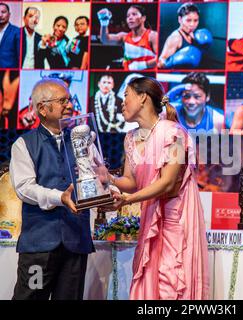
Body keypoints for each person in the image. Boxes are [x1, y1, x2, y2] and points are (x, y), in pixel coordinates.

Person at [100, 76, 209, 300]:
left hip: (174, 221)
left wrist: (128, 200)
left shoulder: (176, 133)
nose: (122, 103)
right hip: (151, 219)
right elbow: (131, 181)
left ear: (142, 98)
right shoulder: (130, 138)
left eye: (126, 96)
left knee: (171, 285)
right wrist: (109, 177)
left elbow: (168, 182)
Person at [10, 78, 95, 300]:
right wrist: (60, 197)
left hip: (76, 243)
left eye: (69, 100)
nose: (70, 105)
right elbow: (24, 188)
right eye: (62, 101)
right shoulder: (24, 144)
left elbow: (96, 179)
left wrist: (105, 188)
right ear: (43, 109)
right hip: (39, 245)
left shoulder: (82, 140)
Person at [98, 5, 157, 70]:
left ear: (143, 18)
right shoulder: (124, 37)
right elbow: (105, 40)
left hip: (147, 77)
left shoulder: (152, 36)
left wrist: (143, 65)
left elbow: (161, 59)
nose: (130, 18)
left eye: (134, 14)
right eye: (128, 16)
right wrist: (104, 23)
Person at [158, 2, 212, 69]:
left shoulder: (195, 34)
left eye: (195, 20)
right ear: (180, 19)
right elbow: (160, 63)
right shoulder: (175, 38)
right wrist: (172, 62)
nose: (192, 24)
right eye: (188, 20)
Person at [0, 3, 20, 68]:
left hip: (9, 71)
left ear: (9, 14)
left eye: (3, 12)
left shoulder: (17, 32)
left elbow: (20, 57)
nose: (0, 15)